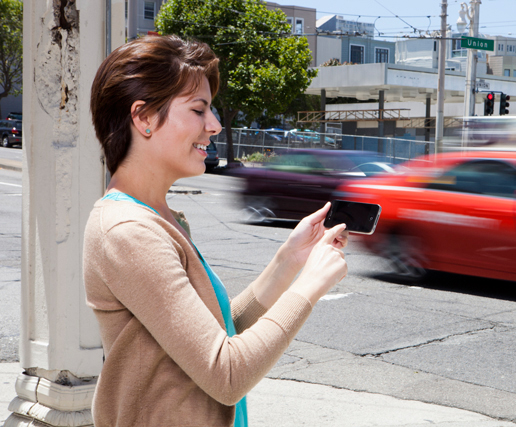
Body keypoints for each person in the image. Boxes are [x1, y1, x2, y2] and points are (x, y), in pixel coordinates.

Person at [84, 35, 348, 427]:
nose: (215, 125)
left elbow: (217, 332)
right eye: (198, 109)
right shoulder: (127, 231)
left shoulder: (159, 219)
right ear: (143, 118)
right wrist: (308, 286)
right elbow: (226, 374)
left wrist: (288, 261)